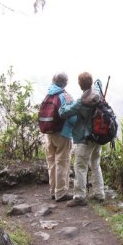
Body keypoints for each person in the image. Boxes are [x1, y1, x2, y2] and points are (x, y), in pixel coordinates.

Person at [59, 72, 105, 207]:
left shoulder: (81, 102)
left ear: (80, 85)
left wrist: (67, 103)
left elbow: (64, 113)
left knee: (80, 166)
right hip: (98, 137)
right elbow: (99, 83)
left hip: (85, 139)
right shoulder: (97, 95)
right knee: (95, 164)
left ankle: (79, 197)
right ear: (90, 83)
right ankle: (99, 194)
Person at [44, 72, 75, 202]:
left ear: (53, 80)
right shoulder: (64, 96)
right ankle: (61, 193)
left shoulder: (48, 94)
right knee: (62, 162)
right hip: (62, 133)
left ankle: (53, 191)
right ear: (65, 83)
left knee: (51, 162)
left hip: (48, 133)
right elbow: (73, 118)